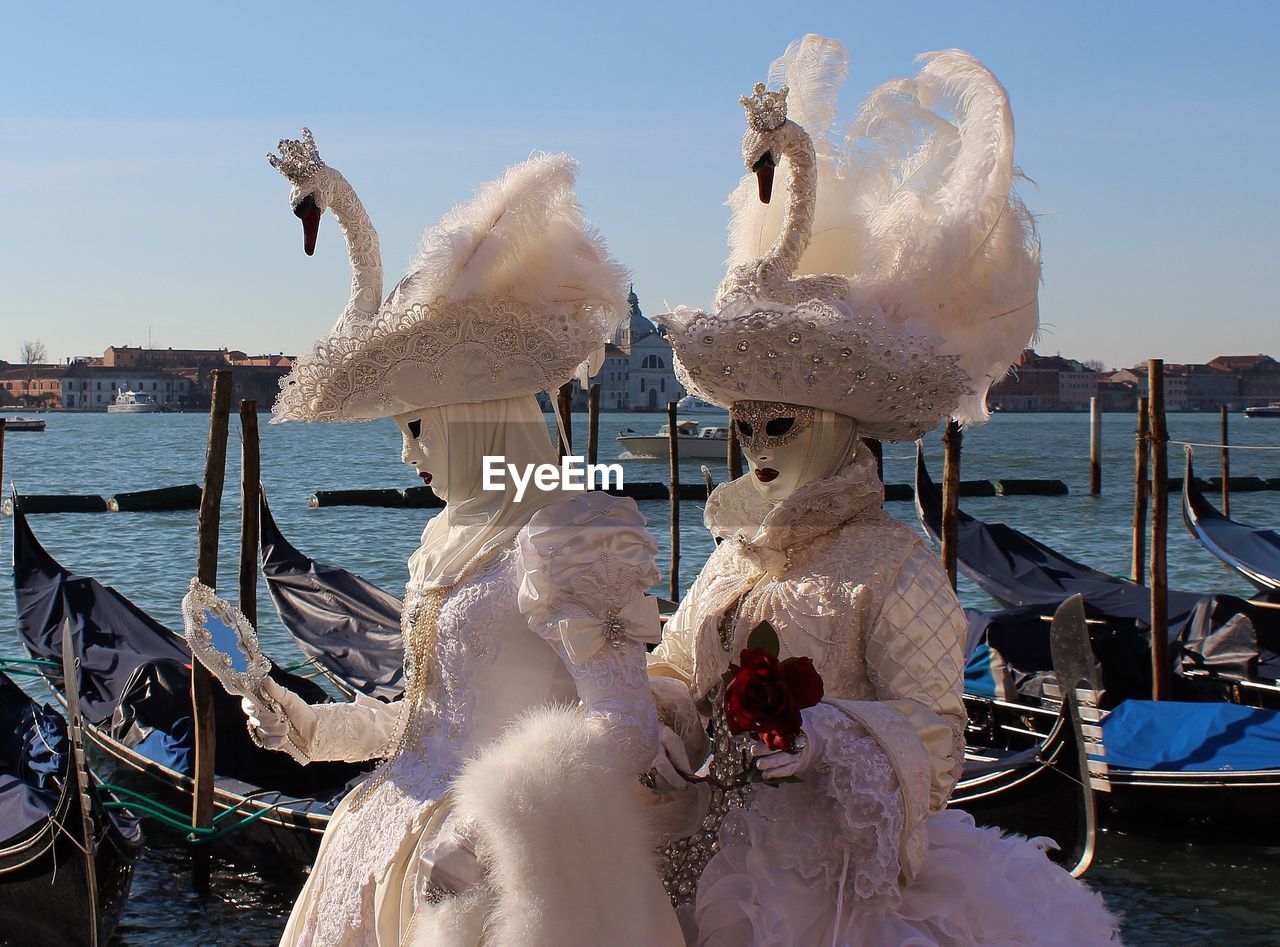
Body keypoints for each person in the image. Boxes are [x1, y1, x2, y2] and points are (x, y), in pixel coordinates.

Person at [645, 38, 1123, 945]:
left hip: (831, 899)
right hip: (695, 869)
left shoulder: (895, 566)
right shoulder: (730, 555)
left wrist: (824, 743)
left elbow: (936, 736)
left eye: (777, 424)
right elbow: (674, 669)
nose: (753, 447)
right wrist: (658, 719)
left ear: (832, 425)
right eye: (744, 425)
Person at [245, 137, 682, 945]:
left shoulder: (572, 528)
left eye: (415, 427)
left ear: (473, 414)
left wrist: (486, 830)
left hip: (509, 887)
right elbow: (425, 723)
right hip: (391, 856)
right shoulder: (445, 539)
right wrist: (308, 726)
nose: (406, 454)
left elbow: (624, 727)